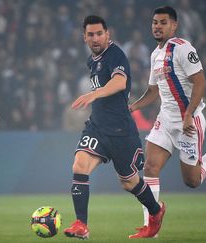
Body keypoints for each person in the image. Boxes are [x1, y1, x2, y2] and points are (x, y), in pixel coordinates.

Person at [128, 6, 206, 238]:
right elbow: (152, 90)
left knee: (193, 180)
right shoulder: (154, 54)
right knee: (149, 167)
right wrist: (134, 106)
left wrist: (189, 114)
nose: (157, 26)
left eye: (163, 22)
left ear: (174, 25)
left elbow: (200, 83)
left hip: (189, 121)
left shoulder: (183, 48)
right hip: (165, 120)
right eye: (154, 22)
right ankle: (152, 226)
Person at [63, 15, 165, 240]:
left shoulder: (115, 54)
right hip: (98, 127)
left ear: (107, 34)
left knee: (128, 182)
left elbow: (119, 82)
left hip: (121, 132)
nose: (95, 38)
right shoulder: (92, 60)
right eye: (90, 34)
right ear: (84, 37)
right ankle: (81, 224)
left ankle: (156, 212)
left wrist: (93, 94)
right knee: (79, 165)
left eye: (99, 33)